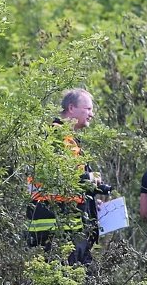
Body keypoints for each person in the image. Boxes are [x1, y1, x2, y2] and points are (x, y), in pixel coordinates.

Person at [26, 88, 110, 265]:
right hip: (58, 229)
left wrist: (90, 200)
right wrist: (91, 179)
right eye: (88, 109)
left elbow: (73, 184)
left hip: (70, 228)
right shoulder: (56, 137)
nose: (91, 114)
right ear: (71, 108)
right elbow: (65, 178)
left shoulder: (68, 139)